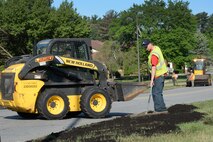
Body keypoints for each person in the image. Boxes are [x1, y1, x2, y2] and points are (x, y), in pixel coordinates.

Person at [142, 39, 168, 112]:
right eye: (144, 46)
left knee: (156, 93)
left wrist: (151, 80)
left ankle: (159, 109)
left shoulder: (154, 54)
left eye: (146, 46)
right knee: (157, 92)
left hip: (158, 75)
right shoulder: (157, 48)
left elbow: (154, 67)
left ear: (150, 44)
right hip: (160, 75)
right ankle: (162, 108)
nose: (145, 47)